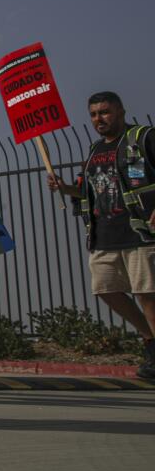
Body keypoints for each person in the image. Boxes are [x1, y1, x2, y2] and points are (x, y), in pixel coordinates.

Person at [47, 91, 155, 379]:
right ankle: (149, 339)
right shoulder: (95, 150)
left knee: (147, 293)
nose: (99, 119)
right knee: (106, 290)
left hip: (140, 231)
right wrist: (65, 187)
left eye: (105, 112)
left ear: (120, 111)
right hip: (103, 236)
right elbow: (87, 192)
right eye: (94, 114)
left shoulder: (143, 138)